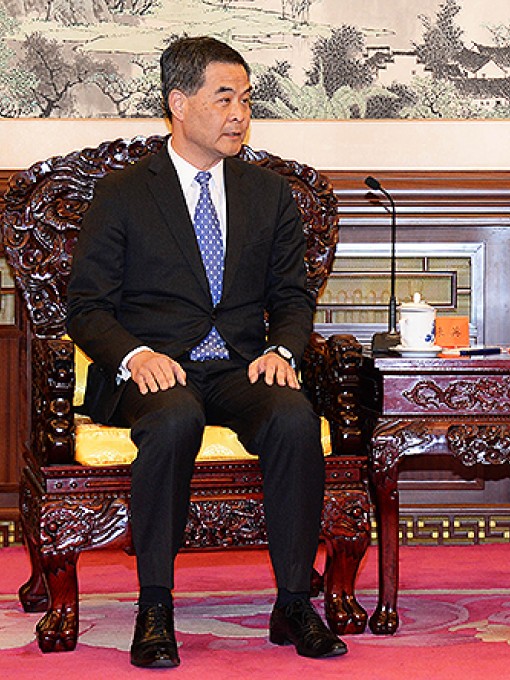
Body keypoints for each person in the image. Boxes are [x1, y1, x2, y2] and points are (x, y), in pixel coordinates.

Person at [67, 37, 347, 667]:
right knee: (173, 418)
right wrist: (134, 355)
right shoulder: (124, 194)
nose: (240, 115)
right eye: (225, 99)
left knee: (294, 417)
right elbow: (86, 305)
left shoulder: (268, 194)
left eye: (247, 101)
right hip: (157, 367)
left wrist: (283, 348)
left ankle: (295, 603)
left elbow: (293, 296)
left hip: (239, 366)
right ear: (178, 103)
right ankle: (156, 607)